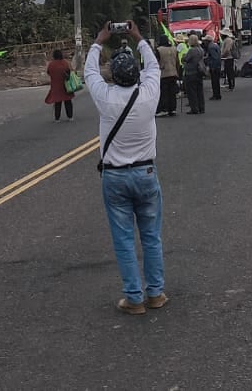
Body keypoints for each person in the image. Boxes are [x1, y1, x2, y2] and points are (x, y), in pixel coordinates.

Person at [83, 20, 166, 316]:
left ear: (114, 76)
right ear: (137, 74)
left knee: (124, 240)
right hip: (146, 173)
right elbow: (154, 66)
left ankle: (134, 298)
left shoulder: (105, 98)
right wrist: (138, 36)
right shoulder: (149, 94)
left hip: (115, 176)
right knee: (151, 237)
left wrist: (99, 40)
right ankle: (155, 293)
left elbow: (89, 72)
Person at [42, 48, 74, 121]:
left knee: (57, 102)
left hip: (56, 86)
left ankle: (57, 118)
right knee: (68, 101)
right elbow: (70, 71)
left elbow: (48, 72)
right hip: (66, 85)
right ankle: (70, 116)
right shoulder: (65, 63)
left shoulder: (51, 64)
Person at [153, 36, 181, 118]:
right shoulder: (174, 49)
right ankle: (172, 109)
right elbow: (177, 62)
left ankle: (164, 109)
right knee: (172, 92)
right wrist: (177, 72)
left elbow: (156, 62)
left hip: (163, 73)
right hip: (173, 73)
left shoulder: (159, 50)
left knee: (164, 93)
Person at [181, 37, 207, 115]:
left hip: (191, 72)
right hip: (199, 72)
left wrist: (183, 57)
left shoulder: (192, 50)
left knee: (192, 92)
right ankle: (201, 107)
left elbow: (186, 59)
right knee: (199, 91)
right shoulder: (201, 49)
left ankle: (194, 108)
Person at [203, 35, 222, 102]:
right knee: (216, 81)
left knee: (214, 82)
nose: (204, 42)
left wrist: (211, 65)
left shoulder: (210, 47)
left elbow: (215, 57)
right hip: (217, 65)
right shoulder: (215, 45)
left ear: (207, 41)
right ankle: (217, 94)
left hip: (214, 66)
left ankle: (216, 95)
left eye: (205, 41)